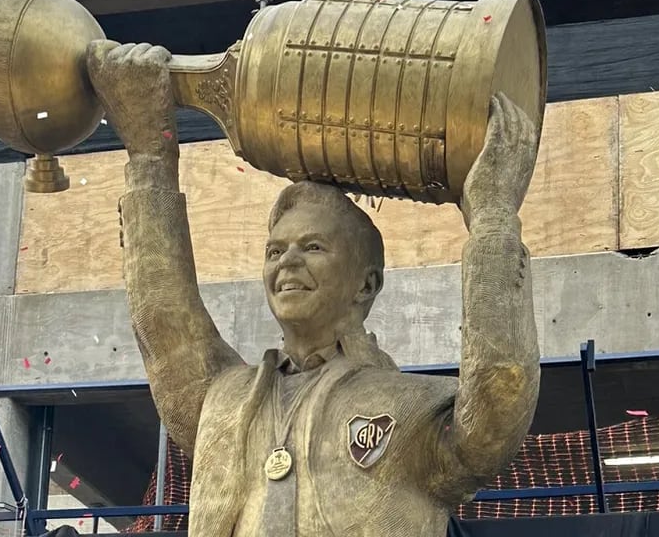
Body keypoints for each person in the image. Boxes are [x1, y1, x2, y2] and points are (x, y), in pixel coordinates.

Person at [85, 40, 541, 537]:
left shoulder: (416, 410)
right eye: (274, 251)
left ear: (366, 284)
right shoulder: (225, 401)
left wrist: (493, 215)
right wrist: (150, 155)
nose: (288, 263)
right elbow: (166, 326)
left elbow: (498, 401)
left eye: (314, 247)